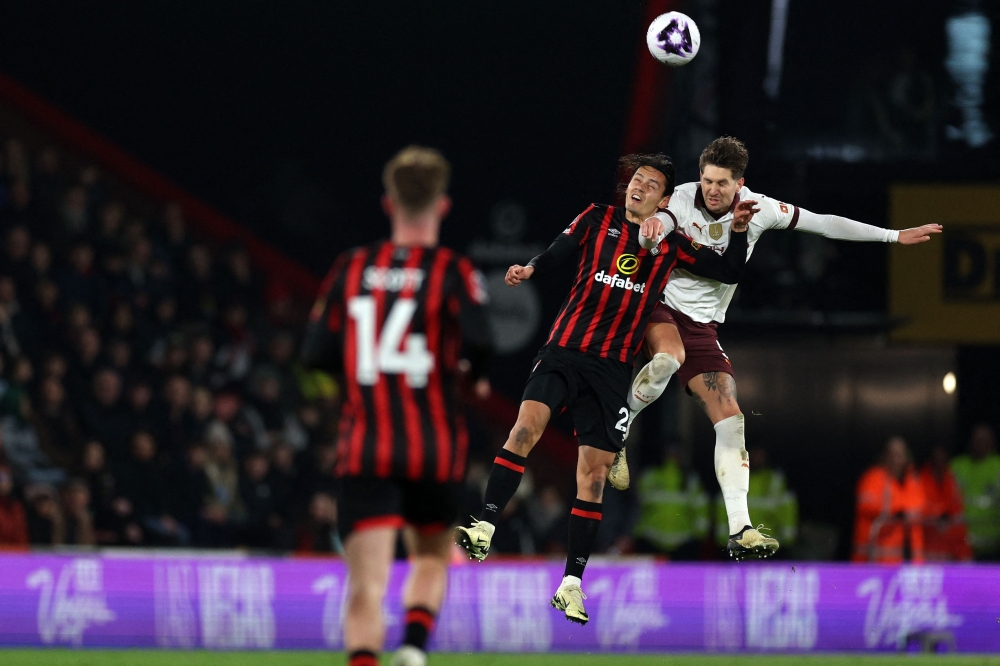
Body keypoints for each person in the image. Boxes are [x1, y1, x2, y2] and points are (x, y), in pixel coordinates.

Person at [454, 153, 751, 625]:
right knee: (525, 429)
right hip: (564, 351)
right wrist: (531, 269)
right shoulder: (598, 218)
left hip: (612, 370)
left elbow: (729, 271)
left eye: (650, 184)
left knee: (593, 477)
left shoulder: (672, 244)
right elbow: (557, 250)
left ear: (664, 198)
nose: (638, 187)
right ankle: (485, 523)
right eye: (636, 179)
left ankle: (572, 584)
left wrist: (736, 229)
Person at [613, 136, 943, 559]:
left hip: (705, 328)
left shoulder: (760, 209)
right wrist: (652, 224)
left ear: (740, 184)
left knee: (732, 420)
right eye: (707, 180)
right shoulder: (679, 201)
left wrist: (893, 236)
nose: (712, 190)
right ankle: (618, 433)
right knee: (665, 359)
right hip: (661, 307)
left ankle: (740, 528)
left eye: (722, 183)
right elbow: (644, 219)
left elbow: (824, 222)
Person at [300, 146, 493, 666]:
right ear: (442, 206)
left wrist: (362, 379)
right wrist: (469, 379)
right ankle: (411, 647)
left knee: (366, 586)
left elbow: (315, 354)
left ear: (388, 204)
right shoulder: (452, 269)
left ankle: (366, 658)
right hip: (432, 446)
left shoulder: (353, 267)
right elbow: (483, 344)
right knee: (432, 557)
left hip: (365, 446)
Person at [853, 436, 924, 563]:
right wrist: (896, 512)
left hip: (909, 557)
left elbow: (922, 509)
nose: (896, 459)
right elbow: (865, 506)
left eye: (900, 454)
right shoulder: (873, 478)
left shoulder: (913, 481)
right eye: (893, 454)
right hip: (875, 558)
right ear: (885, 455)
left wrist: (906, 514)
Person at [713, 448, 797, 552]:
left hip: (769, 547)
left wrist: (788, 540)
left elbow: (787, 509)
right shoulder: (732, 479)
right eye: (752, 454)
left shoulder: (775, 480)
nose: (755, 458)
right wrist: (722, 540)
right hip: (738, 548)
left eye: (759, 454)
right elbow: (722, 509)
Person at [633, 445, 709, 558]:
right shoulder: (650, 476)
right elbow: (635, 506)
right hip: (654, 540)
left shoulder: (689, 480)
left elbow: (701, 508)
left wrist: (700, 535)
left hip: (680, 542)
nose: (672, 456)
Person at [950, 423, 1000, 559]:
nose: (980, 444)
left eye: (984, 440)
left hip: (993, 545)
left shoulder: (997, 466)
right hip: (961, 543)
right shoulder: (957, 465)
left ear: (992, 442)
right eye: (977, 440)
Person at [920, 444, 972, 561]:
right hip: (928, 544)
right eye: (936, 460)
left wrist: (964, 555)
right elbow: (919, 507)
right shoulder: (919, 480)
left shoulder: (952, 480)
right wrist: (939, 513)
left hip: (951, 546)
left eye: (943, 460)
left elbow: (958, 510)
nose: (939, 463)